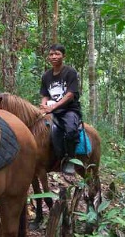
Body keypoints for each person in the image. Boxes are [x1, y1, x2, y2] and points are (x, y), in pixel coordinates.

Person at [39, 44, 82, 175]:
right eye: (51, 54)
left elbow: (70, 95)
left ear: (64, 56)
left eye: (57, 54)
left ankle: (70, 159)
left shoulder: (70, 72)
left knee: (70, 130)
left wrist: (53, 106)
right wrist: (43, 106)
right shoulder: (46, 76)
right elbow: (45, 95)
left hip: (69, 109)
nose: (53, 57)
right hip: (52, 110)